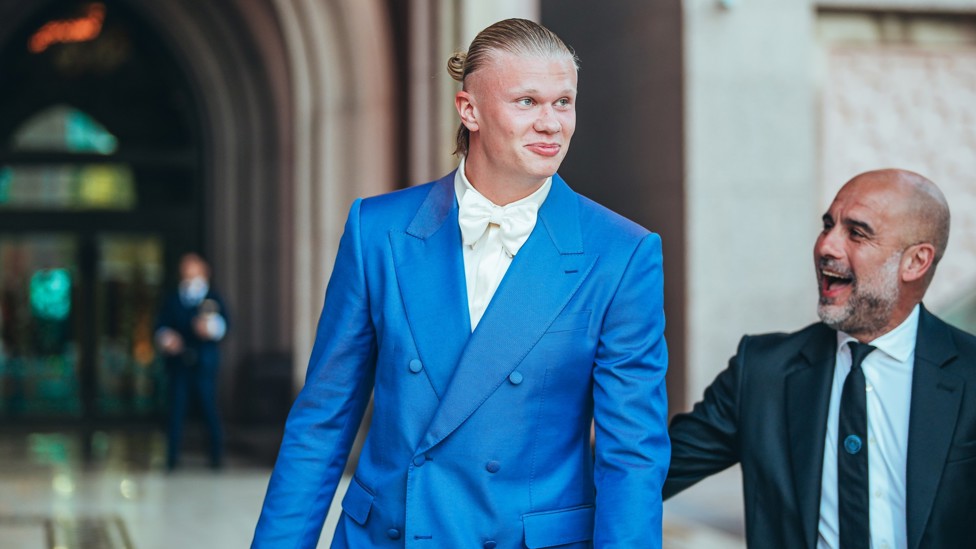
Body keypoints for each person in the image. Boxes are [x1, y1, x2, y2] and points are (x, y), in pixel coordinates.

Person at [252, 18, 669, 549]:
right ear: (468, 109)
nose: (551, 123)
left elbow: (631, 454)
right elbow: (322, 422)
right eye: (527, 101)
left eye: (563, 102)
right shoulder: (377, 230)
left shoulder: (622, 253)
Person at [665, 169, 976, 548]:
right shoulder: (762, 372)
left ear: (915, 262)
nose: (826, 245)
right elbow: (644, 472)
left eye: (857, 232)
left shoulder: (970, 375)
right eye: (827, 225)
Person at [156, 252, 228, 470]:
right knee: (176, 411)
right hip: (179, 365)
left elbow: (225, 325)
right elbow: (161, 326)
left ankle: (216, 457)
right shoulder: (173, 299)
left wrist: (210, 329)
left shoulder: (212, 298)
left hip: (203, 364)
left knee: (208, 409)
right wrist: (168, 339)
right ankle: (172, 458)